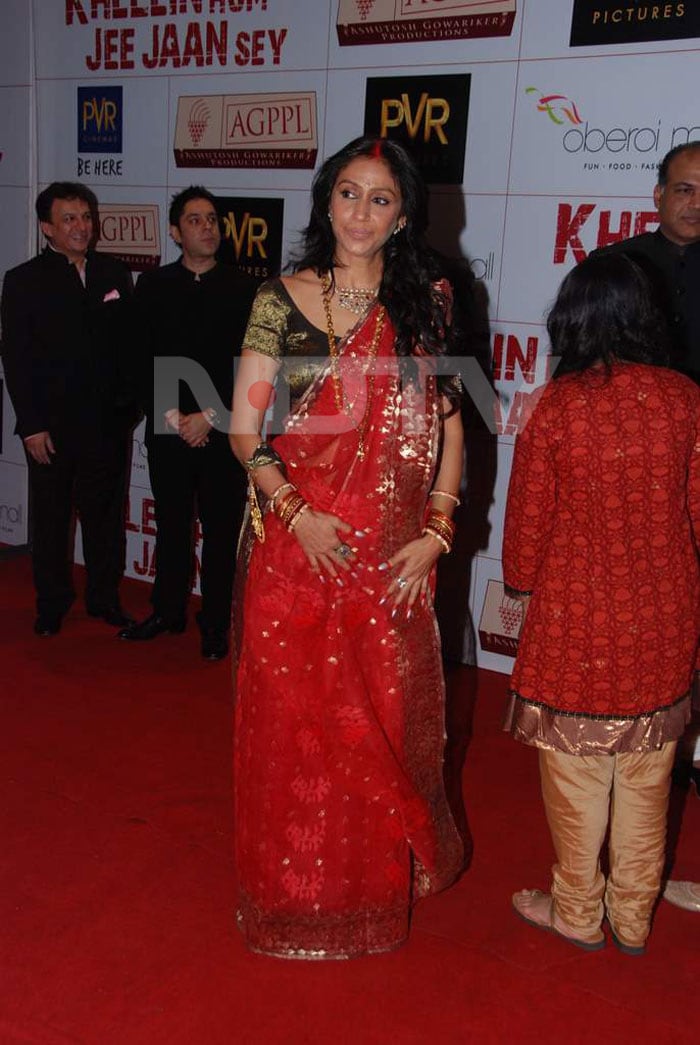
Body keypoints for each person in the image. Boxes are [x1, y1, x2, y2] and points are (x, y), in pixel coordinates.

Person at [229, 135, 466, 959]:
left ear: (402, 217)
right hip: (297, 555)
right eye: (349, 194)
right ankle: (289, 902)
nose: (362, 212)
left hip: (389, 560)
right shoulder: (281, 297)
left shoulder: (426, 303)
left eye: (382, 199)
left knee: (379, 727)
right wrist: (297, 513)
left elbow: (449, 423)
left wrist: (438, 530)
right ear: (326, 201)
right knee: (295, 728)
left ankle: (366, 901)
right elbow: (244, 429)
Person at [502, 253, 700, 956]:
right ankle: (635, 915)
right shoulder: (684, 399)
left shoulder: (554, 405)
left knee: (576, 775)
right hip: (665, 617)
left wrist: (520, 589)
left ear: (574, 318)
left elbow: (526, 522)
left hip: (574, 618)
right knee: (649, 775)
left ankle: (578, 910)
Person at [119, 187, 256, 659]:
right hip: (168, 428)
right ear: (176, 232)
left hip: (225, 433)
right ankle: (167, 611)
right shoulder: (153, 286)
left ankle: (215, 624)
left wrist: (211, 417)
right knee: (172, 526)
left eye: (213, 219)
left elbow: (255, 366)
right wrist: (174, 416)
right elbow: (139, 358)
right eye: (195, 220)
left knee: (220, 534)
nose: (208, 227)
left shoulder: (246, 289)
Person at [1, 181, 137, 635]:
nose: (81, 227)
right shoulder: (22, 281)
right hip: (50, 429)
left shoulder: (115, 275)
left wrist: (127, 411)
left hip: (106, 426)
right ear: (47, 228)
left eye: (85, 217)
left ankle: (104, 598)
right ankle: (52, 603)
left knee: (104, 520)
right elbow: (16, 359)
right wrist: (32, 426)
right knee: (52, 519)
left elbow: (128, 349)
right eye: (69, 219)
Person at [590, 141, 700, 380]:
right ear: (658, 196)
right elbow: (581, 353)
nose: (697, 204)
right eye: (684, 190)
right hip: (623, 411)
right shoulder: (611, 263)